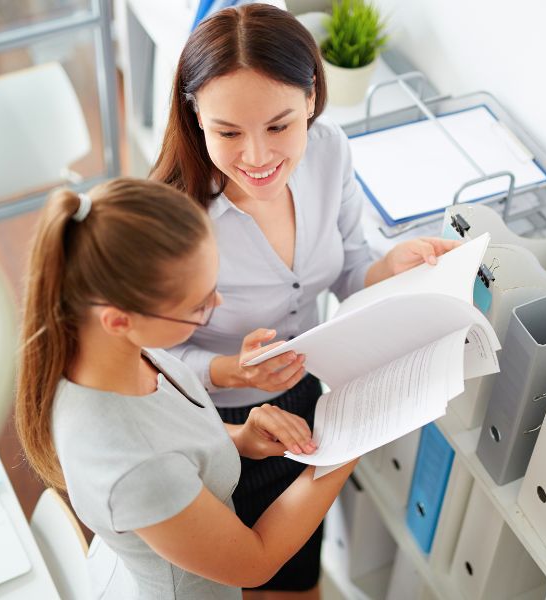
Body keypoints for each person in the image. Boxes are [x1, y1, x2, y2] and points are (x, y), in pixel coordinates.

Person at [151, 5, 460, 597]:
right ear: (195, 117)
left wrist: (386, 267)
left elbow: (346, 266)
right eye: (228, 132)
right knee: (236, 578)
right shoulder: (173, 217)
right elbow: (145, 366)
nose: (259, 156)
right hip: (212, 423)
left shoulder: (329, 152)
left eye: (279, 125)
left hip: (305, 398)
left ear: (313, 98)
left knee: (298, 580)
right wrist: (226, 369)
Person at [14, 178, 358, 599]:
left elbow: (169, 438)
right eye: (197, 305)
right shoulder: (132, 466)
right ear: (119, 320)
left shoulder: (113, 355)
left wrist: (239, 437)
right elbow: (256, 561)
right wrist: (347, 446)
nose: (217, 305)